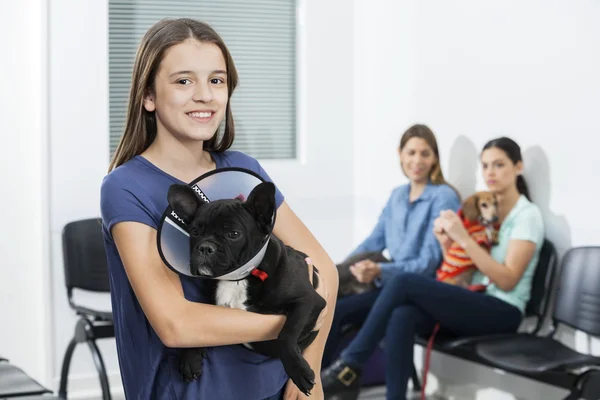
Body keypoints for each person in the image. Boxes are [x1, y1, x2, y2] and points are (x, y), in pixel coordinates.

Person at [100, 18, 337, 400]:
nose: (205, 96)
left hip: (273, 384)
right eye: (183, 81)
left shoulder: (245, 172)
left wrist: (307, 369)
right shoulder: (126, 187)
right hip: (188, 390)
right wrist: (293, 324)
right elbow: (177, 324)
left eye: (216, 80)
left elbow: (324, 268)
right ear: (148, 95)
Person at [321, 137, 545, 400]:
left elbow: (507, 281)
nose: (490, 173)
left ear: (518, 167)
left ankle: (349, 365)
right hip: (475, 298)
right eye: (485, 166)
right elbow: (467, 269)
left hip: (504, 310)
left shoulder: (526, 216)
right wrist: (448, 244)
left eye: (499, 165)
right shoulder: (487, 211)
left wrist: (463, 238)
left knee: (403, 282)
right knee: (402, 314)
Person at [322, 124, 461, 368]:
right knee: (325, 299)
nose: (417, 160)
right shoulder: (397, 195)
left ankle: (321, 386)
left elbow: (428, 264)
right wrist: (345, 269)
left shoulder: (443, 197)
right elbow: (374, 241)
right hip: (387, 285)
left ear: (435, 158)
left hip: (417, 290)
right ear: (400, 154)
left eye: (425, 153)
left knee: (338, 312)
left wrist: (379, 271)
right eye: (411, 152)